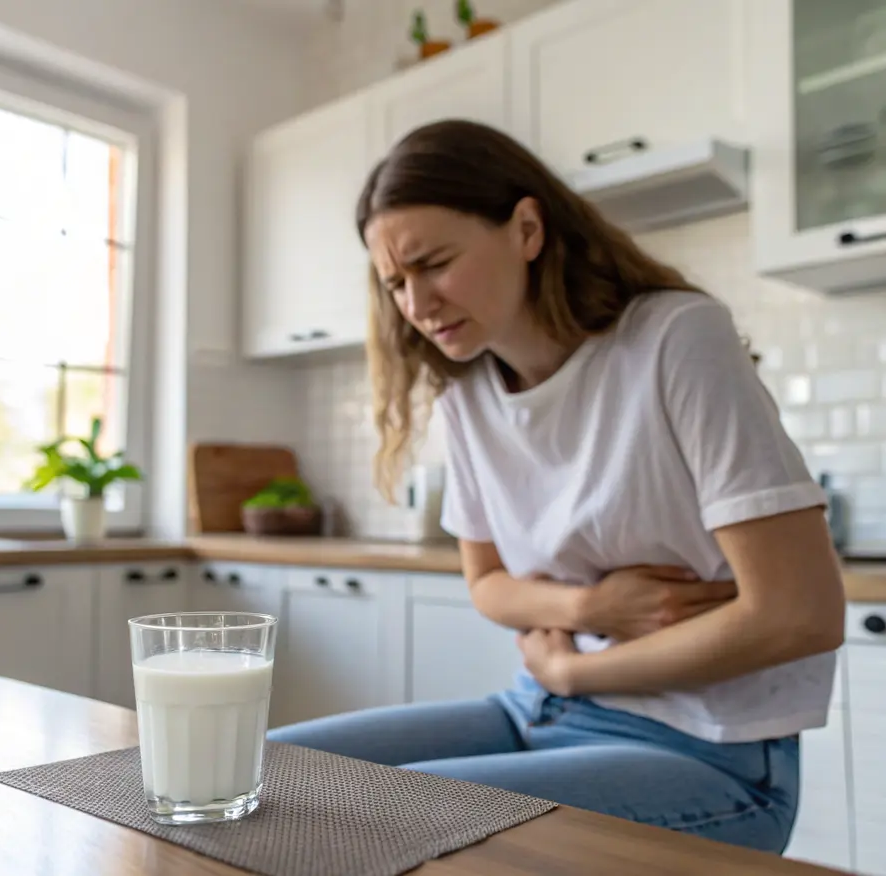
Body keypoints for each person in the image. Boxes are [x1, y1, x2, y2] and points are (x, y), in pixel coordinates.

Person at [267, 119, 846, 853]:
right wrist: (589, 608)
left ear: (527, 229)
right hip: (535, 709)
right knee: (258, 774)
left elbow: (800, 615)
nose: (416, 304)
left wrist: (576, 669)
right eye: (395, 284)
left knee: (381, 821)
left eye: (434, 264)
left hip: (708, 751)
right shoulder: (467, 394)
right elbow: (488, 584)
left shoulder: (675, 338)